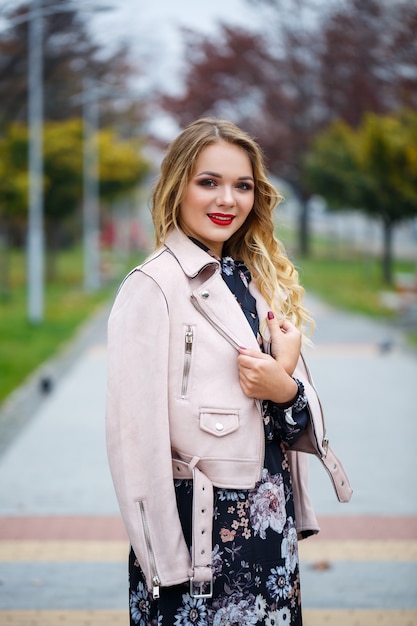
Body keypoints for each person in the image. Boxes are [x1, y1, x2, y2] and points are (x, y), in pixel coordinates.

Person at [106, 118, 352, 626]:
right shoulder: (152, 287)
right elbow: (134, 445)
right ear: (179, 186)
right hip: (199, 546)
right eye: (209, 182)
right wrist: (164, 563)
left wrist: (284, 384)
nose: (228, 200)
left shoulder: (253, 281)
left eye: (243, 185)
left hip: (268, 530)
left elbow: (289, 424)